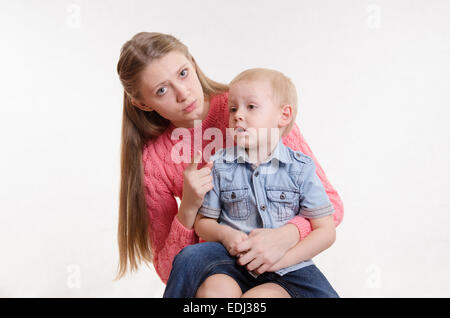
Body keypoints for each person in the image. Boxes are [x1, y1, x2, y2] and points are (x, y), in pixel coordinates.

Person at [115, 32, 344, 297]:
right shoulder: (154, 160)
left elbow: (330, 204)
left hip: (283, 264)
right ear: (142, 104)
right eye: (162, 90)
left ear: (193, 63)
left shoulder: (251, 105)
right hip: (221, 262)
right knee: (215, 291)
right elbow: (173, 271)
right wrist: (188, 208)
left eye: (182, 73)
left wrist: (288, 234)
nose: (183, 93)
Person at [192, 68, 338, 297]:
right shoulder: (219, 165)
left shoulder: (300, 168)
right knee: (213, 291)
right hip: (233, 266)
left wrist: (281, 261)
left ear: (284, 115)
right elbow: (202, 223)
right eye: (233, 108)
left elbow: (326, 231)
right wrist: (224, 234)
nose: (238, 115)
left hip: (289, 270)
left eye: (251, 107)